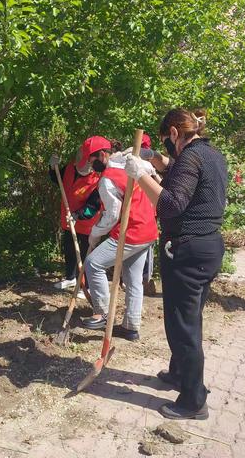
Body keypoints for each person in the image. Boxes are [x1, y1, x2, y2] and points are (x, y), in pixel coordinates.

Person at [125, 108, 227, 420]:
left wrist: (140, 175)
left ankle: (193, 400)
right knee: (188, 317)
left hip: (188, 250)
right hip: (206, 247)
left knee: (183, 325)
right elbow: (180, 172)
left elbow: (170, 204)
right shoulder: (210, 153)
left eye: (166, 142)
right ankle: (180, 372)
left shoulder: (192, 157)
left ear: (173, 133)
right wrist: (156, 161)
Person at [79, 135, 159, 341]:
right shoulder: (128, 163)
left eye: (91, 159)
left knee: (93, 263)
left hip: (131, 232)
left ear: (103, 155)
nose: (90, 163)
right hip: (148, 230)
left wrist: (94, 235)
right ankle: (130, 327)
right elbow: (151, 170)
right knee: (133, 280)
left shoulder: (107, 179)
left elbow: (112, 215)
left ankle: (102, 313)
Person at [48, 146, 101, 297]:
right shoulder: (70, 168)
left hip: (85, 225)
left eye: (84, 163)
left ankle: (86, 285)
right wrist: (53, 168)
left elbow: (93, 208)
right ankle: (70, 278)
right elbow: (57, 179)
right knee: (70, 250)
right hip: (67, 220)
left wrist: (77, 216)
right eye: (79, 162)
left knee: (85, 255)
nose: (79, 166)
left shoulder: (96, 182)